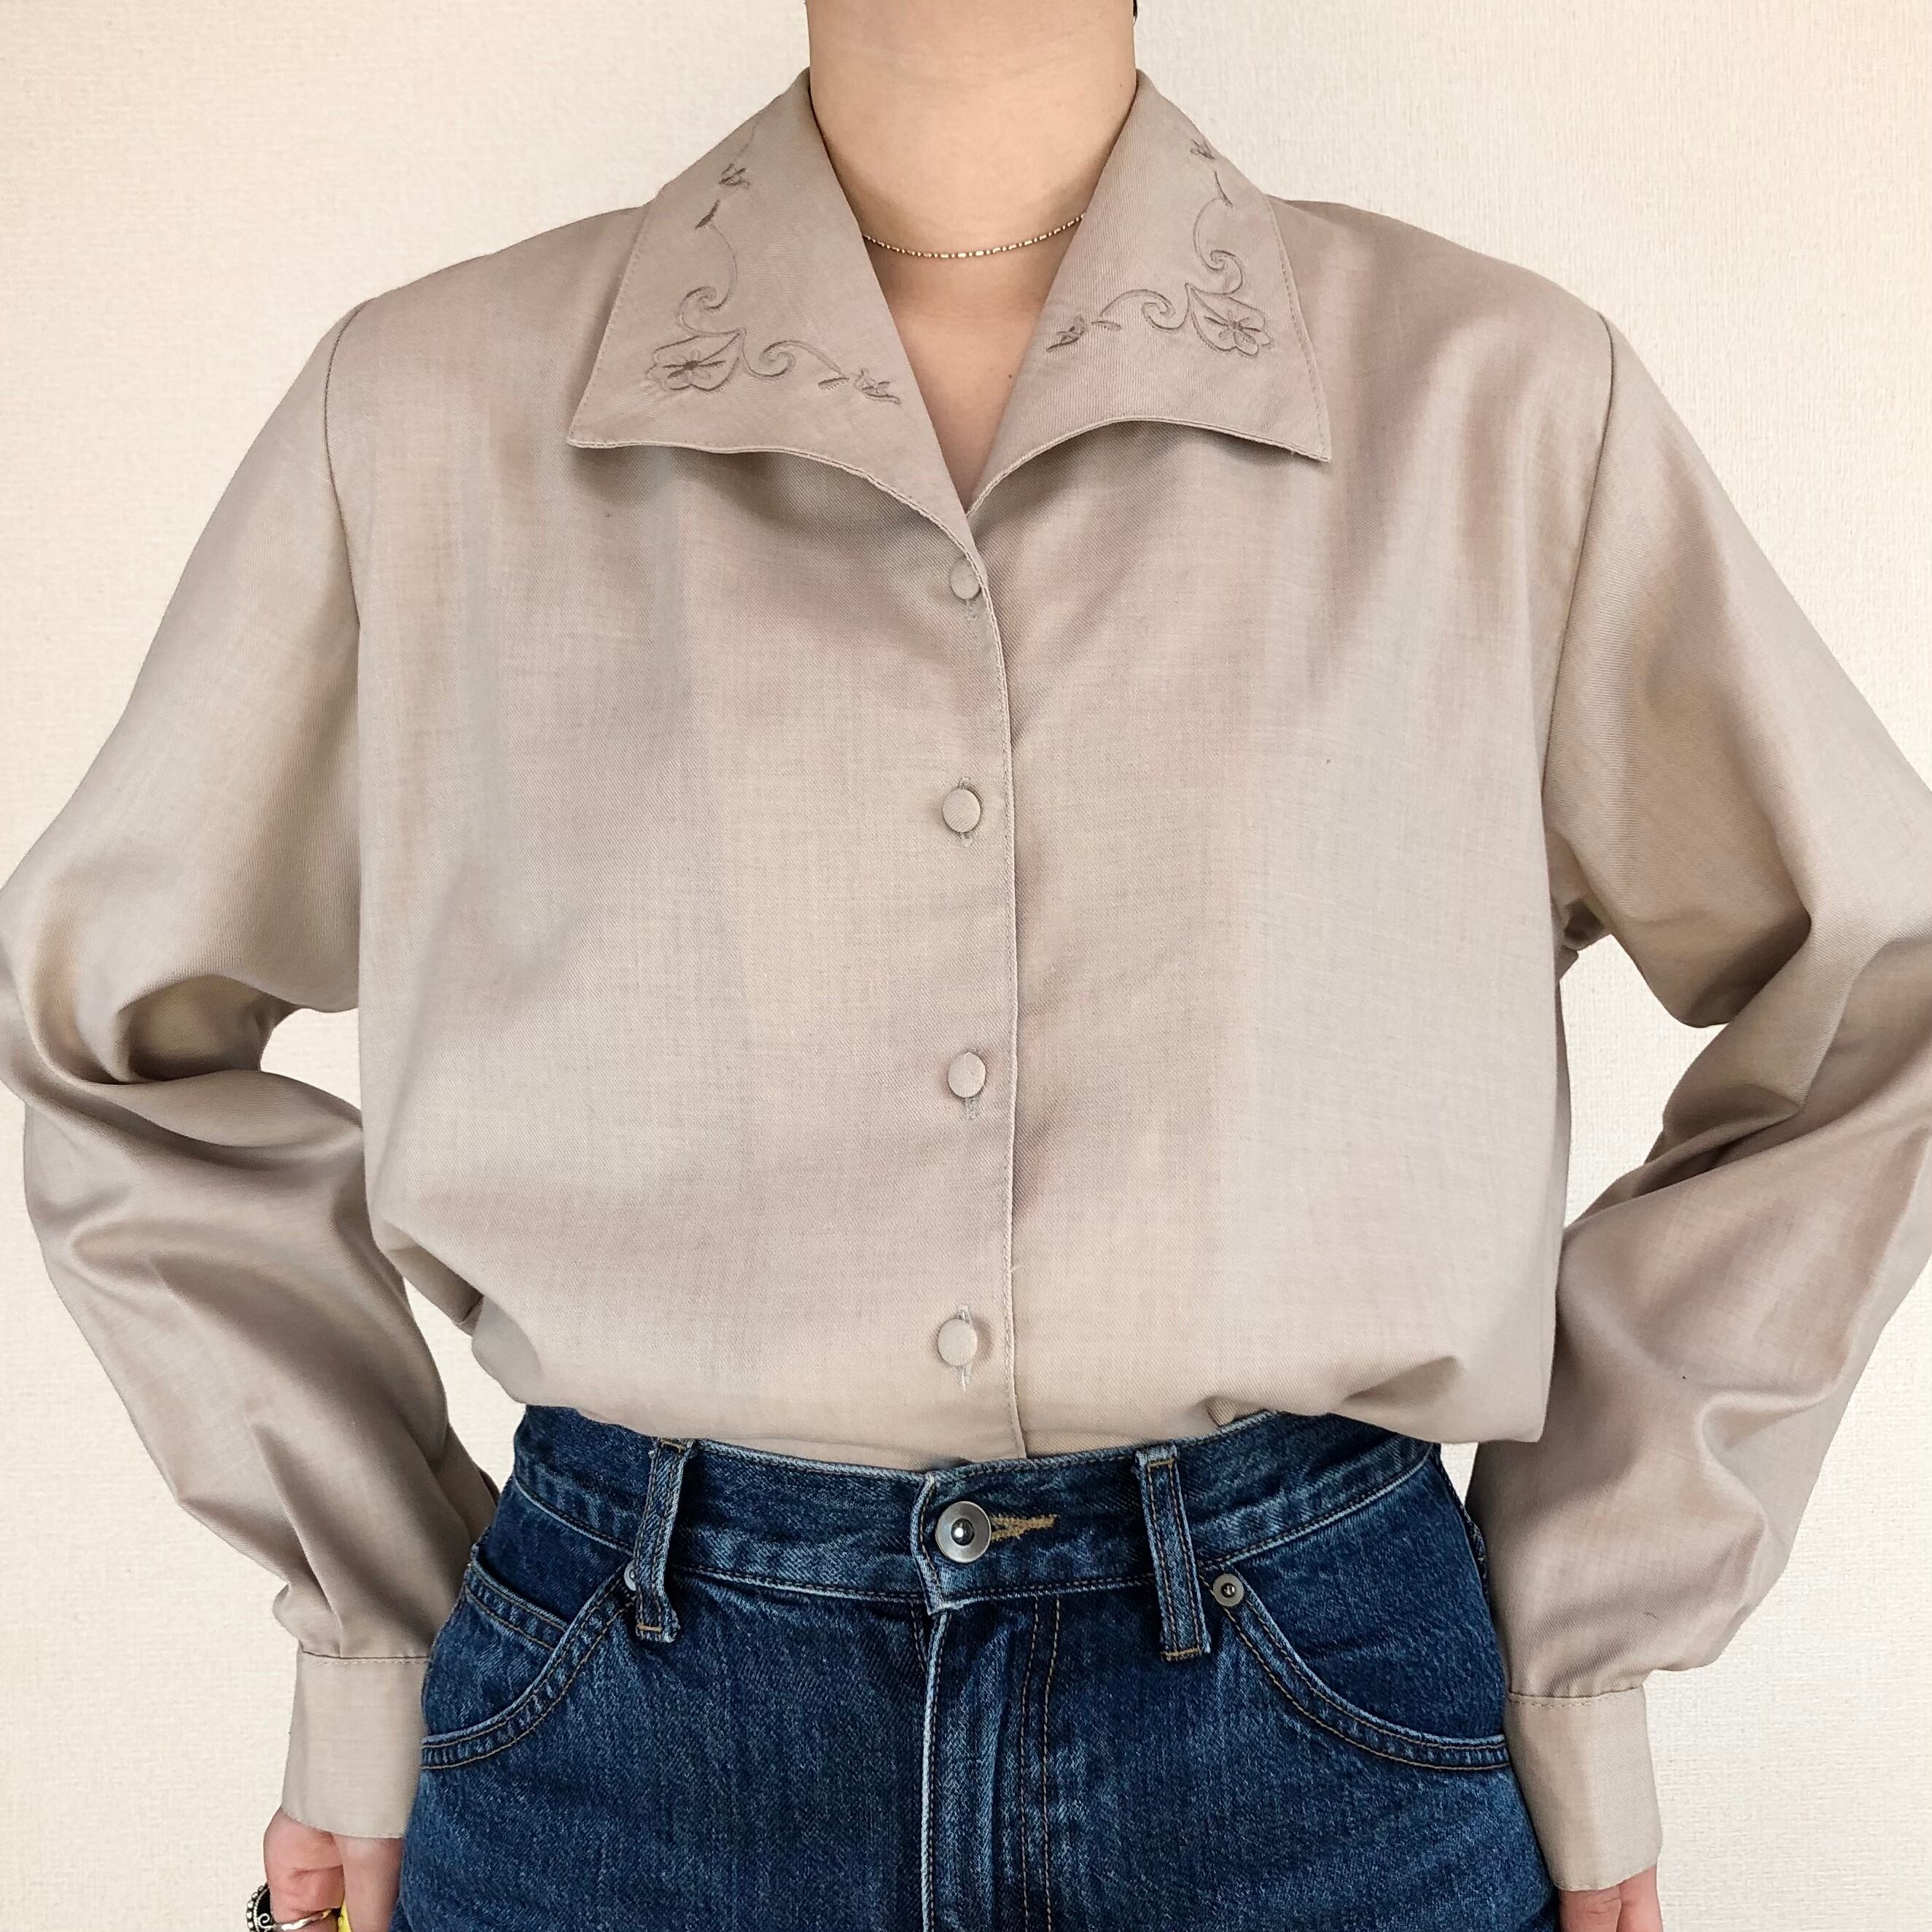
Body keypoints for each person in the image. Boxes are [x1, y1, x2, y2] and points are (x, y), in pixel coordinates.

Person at [2, 3, 1928, 1929]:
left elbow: (1873, 993)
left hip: (1316, 1736)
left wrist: (1586, 1633)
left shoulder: (1495, 399)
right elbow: (112, 1030)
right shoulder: (426, 407)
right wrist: (369, 1637)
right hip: (618, 1737)